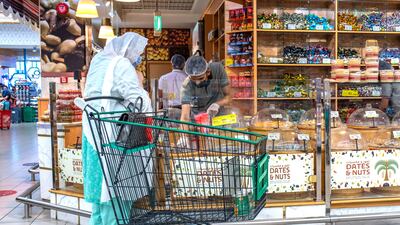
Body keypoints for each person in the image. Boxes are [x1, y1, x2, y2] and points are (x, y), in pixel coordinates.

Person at [81, 32, 151, 225]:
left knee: (100, 196)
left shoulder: (98, 62)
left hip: (93, 131)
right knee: (116, 192)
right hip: (115, 135)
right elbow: (136, 98)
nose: (138, 58)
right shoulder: (121, 64)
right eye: (137, 53)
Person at [180, 54, 231, 122]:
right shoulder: (186, 86)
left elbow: (229, 96)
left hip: (220, 119)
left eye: (201, 78)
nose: (197, 83)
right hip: (199, 122)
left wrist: (217, 104)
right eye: (193, 80)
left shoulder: (218, 69)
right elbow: (185, 117)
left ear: (208, 72)